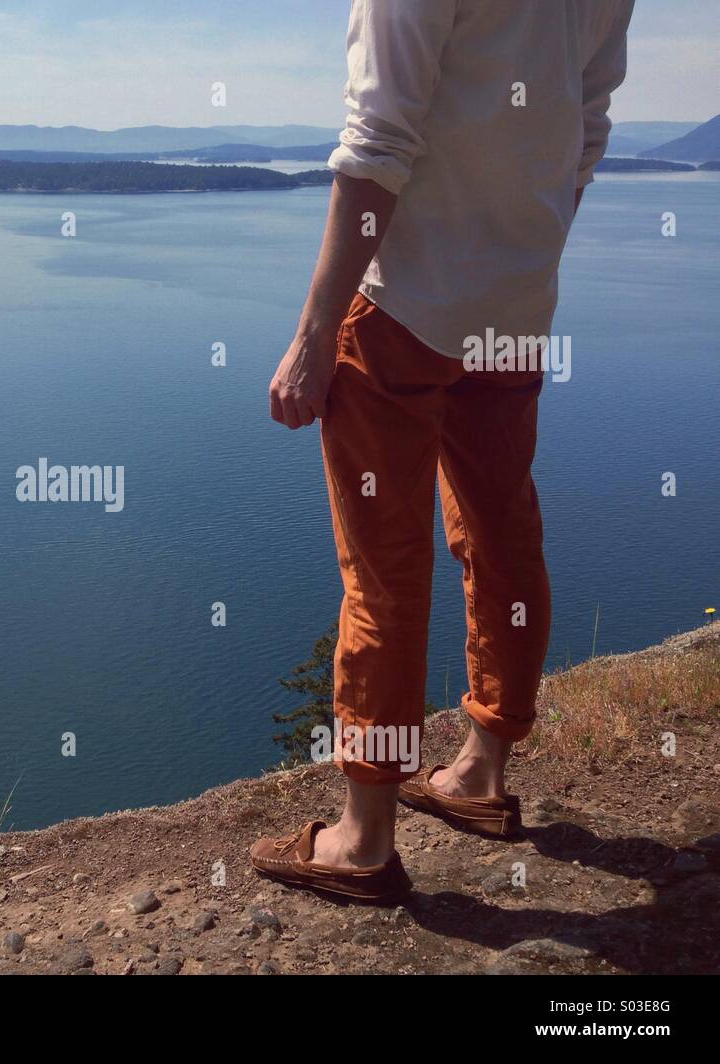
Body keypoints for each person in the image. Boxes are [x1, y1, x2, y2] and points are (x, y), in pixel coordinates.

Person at [254, 0, 635, 903]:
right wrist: (520, 262)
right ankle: (478, 775)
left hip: (402, 311)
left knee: (383, 575)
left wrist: (312, 337)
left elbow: (376, 149)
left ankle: (363, 840)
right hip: (512, 312)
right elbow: (585, 130)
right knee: (502, 531)